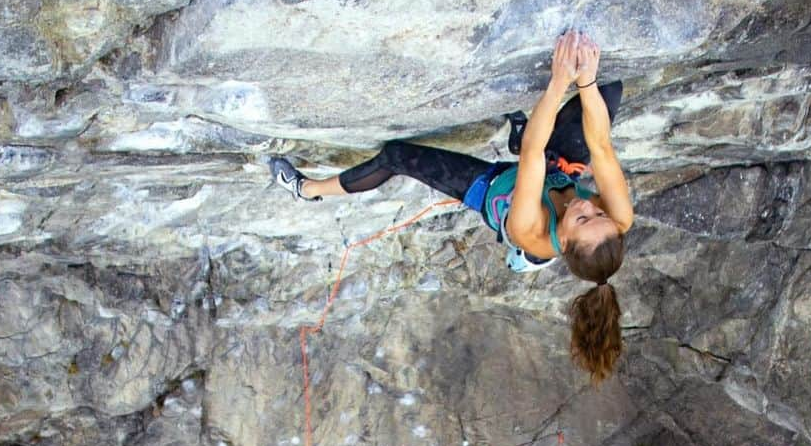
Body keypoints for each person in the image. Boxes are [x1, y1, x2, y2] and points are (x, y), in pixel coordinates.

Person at [269, 31, 633, 384]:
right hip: (557, 171)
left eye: (583, 218)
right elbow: (601, 146)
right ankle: (529, 131)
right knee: (606, 93)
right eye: (599, 213)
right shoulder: (619, 218)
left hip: (495, 189)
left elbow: (533, 157)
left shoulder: (532, 232)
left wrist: (559, 81)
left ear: (565, 243)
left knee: (398, 156)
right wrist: (585, 81)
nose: (588, 205)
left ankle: (308, 189)